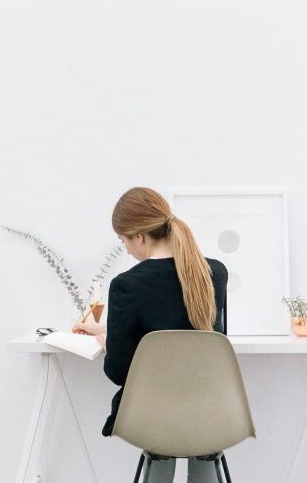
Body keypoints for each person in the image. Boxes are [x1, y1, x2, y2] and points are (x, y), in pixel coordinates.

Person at [73, 187, 228, 483]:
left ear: (140, 237)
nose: (127, 250)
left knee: (160, 409)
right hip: (212, 411)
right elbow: (209, 342)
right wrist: (113, 330)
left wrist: (110, 343)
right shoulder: (214, 273)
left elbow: (119, 372)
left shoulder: (126, 285)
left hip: (153, 415)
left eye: (124, 242)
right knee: (196, 417)